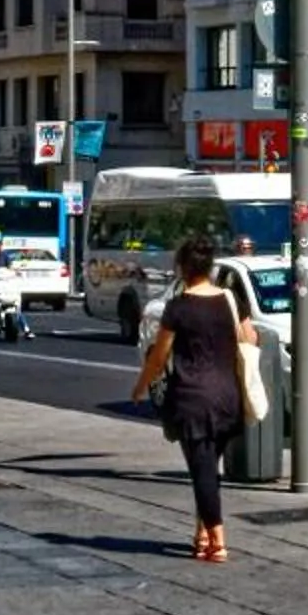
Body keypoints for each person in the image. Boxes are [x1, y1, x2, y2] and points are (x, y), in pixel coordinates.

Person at [129, 233, 249, 564]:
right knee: (209, 469)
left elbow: (158, 356)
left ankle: (218, 541)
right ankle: (201, 535)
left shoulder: (178, 308)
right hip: (227, 396)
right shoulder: (229, 301)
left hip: (192, 398)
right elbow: (250, 338)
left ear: (183, 267)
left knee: (202, 471)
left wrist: (141, 387)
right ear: (209, 266)